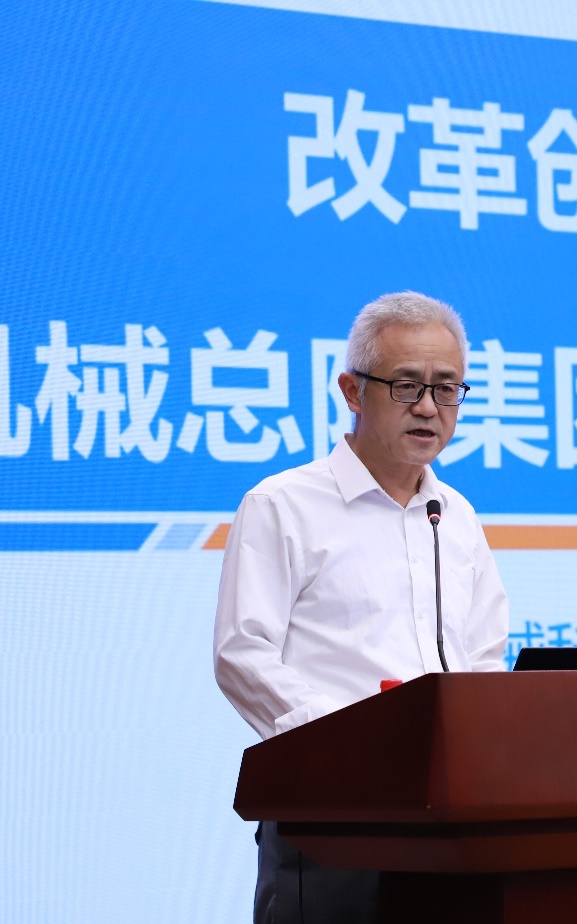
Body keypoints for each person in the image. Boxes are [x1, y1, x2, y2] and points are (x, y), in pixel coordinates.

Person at [213, 291, 511, 924]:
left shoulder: (456, 516)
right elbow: (243, 654)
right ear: (352, 391)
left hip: (450, 822)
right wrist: (352, 743)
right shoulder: (283, 505)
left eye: (447, 388)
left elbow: (483, 659)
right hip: (331, 820)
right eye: (406, 386)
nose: (428, 407)